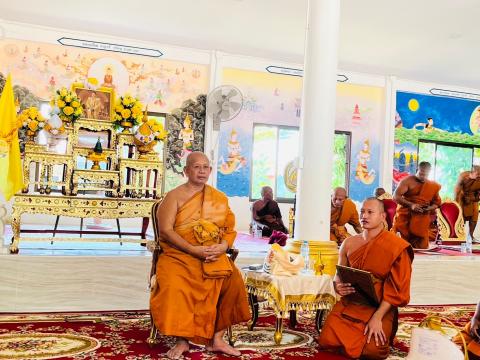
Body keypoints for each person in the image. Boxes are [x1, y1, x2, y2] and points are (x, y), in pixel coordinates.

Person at [150, 151, 250, 359]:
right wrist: (192, 249)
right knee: (175, 284)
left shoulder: (218, 198)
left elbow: (229, 230)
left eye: (205, 167)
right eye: (196, 167)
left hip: (212, 255)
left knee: (233, 280)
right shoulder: (174, 196)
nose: (202, 171)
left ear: (210, 171)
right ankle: (182, 341)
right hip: (179, 255)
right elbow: (166, 230)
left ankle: (217, 339)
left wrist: (223, 246)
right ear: (186, 171)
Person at [319, 197, 413, 359]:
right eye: (362, 211)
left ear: (383, 216)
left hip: (380, 307)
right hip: (352, 303)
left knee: (374, 351)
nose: (364, 216)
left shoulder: (397, 247)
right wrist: (337, 285)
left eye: (370, 212)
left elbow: (397, 289)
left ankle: (386, 328)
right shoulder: (349, 243)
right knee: (326, 340)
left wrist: (377, 318)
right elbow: (339, 274)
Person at [392, 161, 441, 249]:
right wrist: (411, 205)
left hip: (421, 218)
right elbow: (395, 196)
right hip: (405, 216)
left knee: (421, 246)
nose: (423, 177)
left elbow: (437, 203)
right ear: (417, 170)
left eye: (426, 175)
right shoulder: (407, 181)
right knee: (401, 245)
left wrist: (429, 208)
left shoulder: (433, 185)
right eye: (421, 174)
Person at [454, 166, 480, 239]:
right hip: (462, 197)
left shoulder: (479, 179)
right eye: (477, 174)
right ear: (472, 173)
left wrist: (475, 197)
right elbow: (457, 190)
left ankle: (471, 235)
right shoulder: (463, 176)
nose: (479, 176)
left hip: (473, 198)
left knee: (475, 216)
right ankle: (459, 234)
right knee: (461, 216)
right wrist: (459, 201)